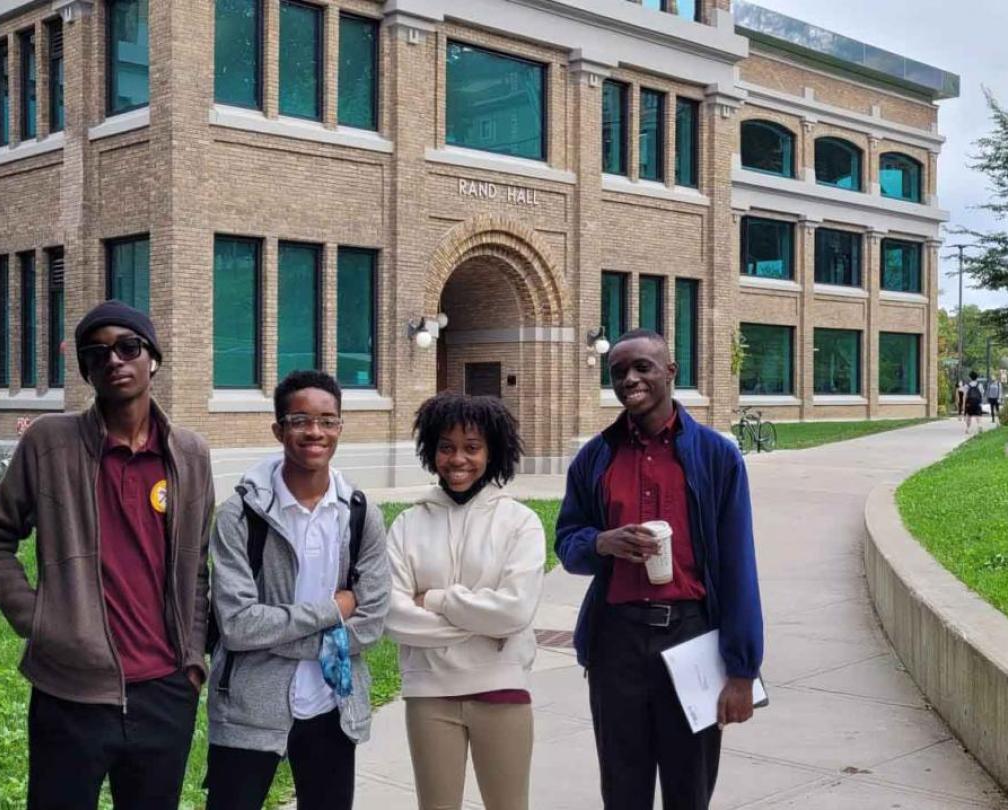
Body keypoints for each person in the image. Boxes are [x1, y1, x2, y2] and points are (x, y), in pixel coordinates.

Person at [0, 301, 215, 810]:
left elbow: (196, 567)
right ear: (85, 370)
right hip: (70, 692)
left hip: (165, 690)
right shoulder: (49, 444)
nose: (115, 361)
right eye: (97, 353)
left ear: (153, 359)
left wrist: (191, 661)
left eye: (129, 347)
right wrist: (38, 621)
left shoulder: (190, 455)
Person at [555, 329, 763, 810]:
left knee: (689, 789)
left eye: (642, 367)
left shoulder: (716, 456)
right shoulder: (595, 458)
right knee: (622, 788)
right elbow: (567, 544)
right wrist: (601, 542)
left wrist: (742, 670)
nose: (630, 379)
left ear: (670, 372)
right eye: (619, 372)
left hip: (691, 637)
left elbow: (738, 567)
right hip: (616, 644)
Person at [205, 370, 391, 810]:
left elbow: (372, 622)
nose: (315, 432)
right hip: (249, 707)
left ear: (340, 427)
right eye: (301, 420)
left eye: (328, 420)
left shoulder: (360, 515)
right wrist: (332, 610)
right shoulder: (239, 517)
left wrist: (279, 636)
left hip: (332, 706)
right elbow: (237, 625)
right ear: (278, 429)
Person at [385, 393, 547, 810]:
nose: (458, 458)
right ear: (431, 450)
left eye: (472, 448)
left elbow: (515, 611)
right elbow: (393, 615)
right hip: (429, 694)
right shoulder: (408, 523)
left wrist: (436, 599)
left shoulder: (519, 522)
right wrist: (484, 623)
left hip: (501, 689)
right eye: (446, 447)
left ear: (493, 452)